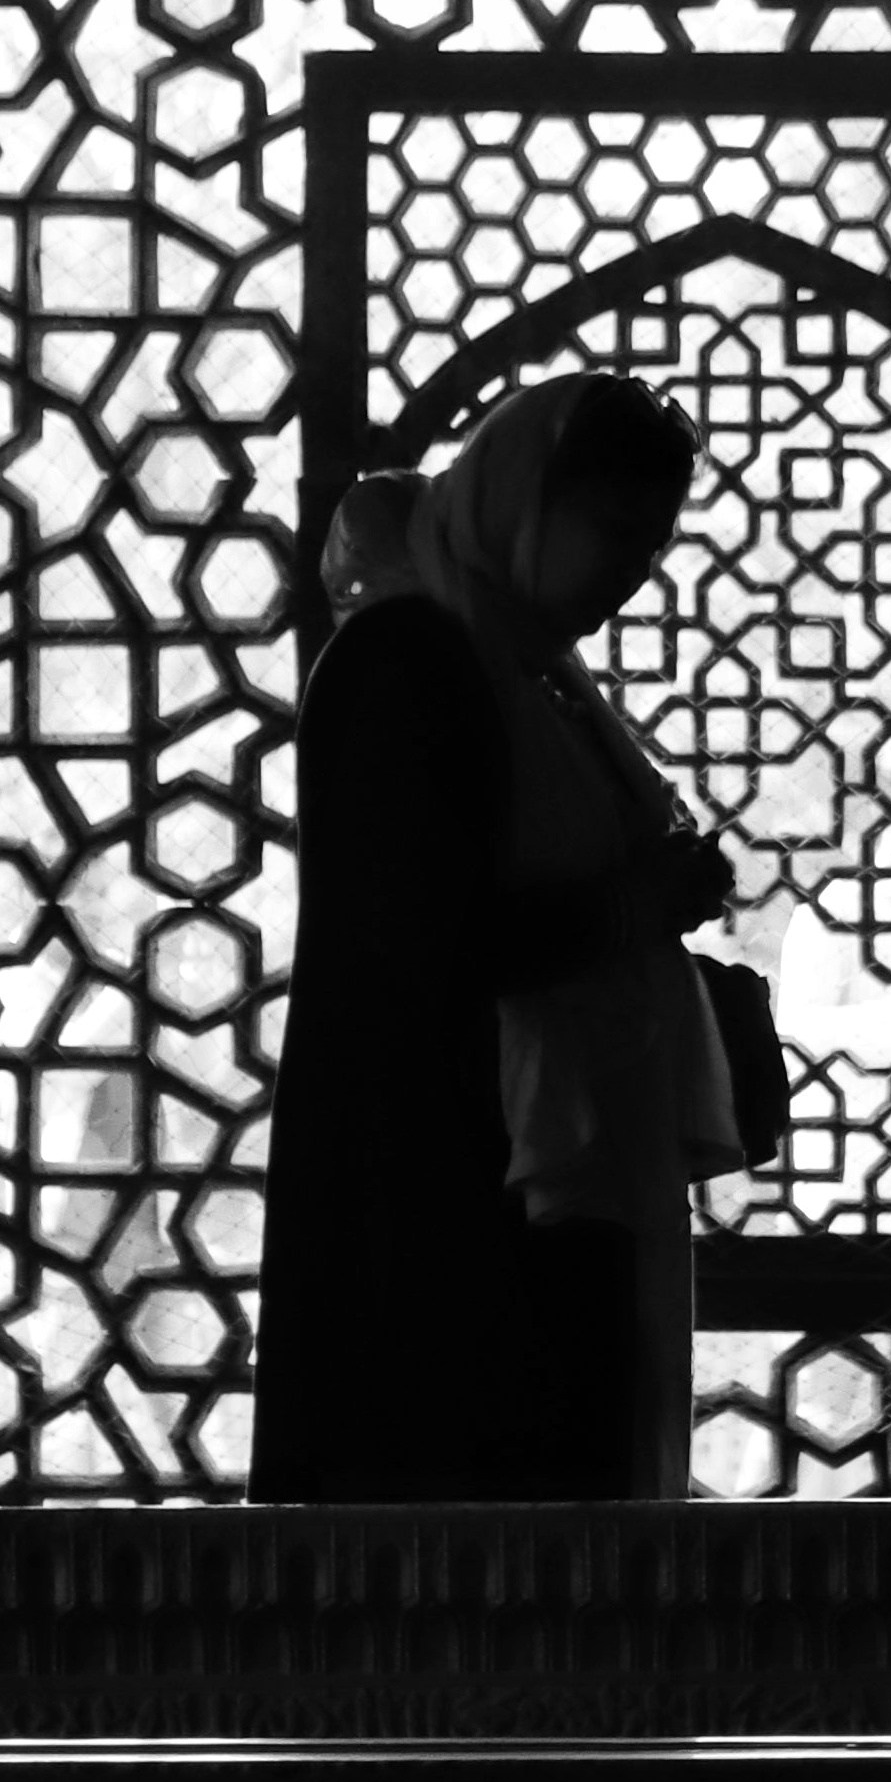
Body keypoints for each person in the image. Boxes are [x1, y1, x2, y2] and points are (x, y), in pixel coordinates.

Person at [247, 369, 740, 1502]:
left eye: (651, 546)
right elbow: (419, 949)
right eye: (611, 530)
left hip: (527, 1209)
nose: (629, 570)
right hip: (440, 1219)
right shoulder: (409, 661)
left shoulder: (520, 673)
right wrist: (636, 903)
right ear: (526, 499)